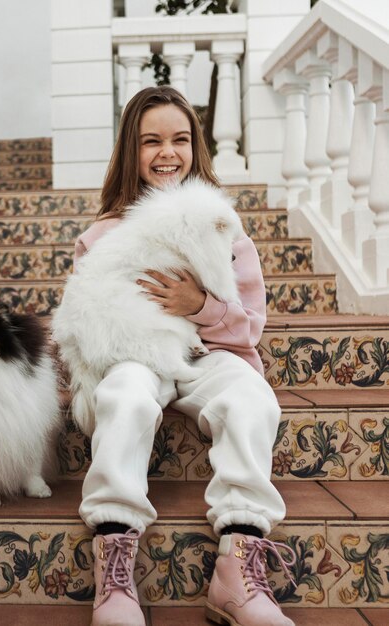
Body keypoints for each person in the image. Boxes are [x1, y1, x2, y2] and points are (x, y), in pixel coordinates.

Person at [71, 86, 296, 626]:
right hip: (135, 356)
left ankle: (238, 567)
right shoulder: (100, 234)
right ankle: (115, 556)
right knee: (123, 395)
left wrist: (200, 306)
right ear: (131, 151)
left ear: (196, 146)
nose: (167, 152)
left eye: (179, 139)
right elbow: (81, 319)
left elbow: (249, 328)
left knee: (251, 398)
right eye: (151, 141)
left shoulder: (221, 223)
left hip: (208, 353)